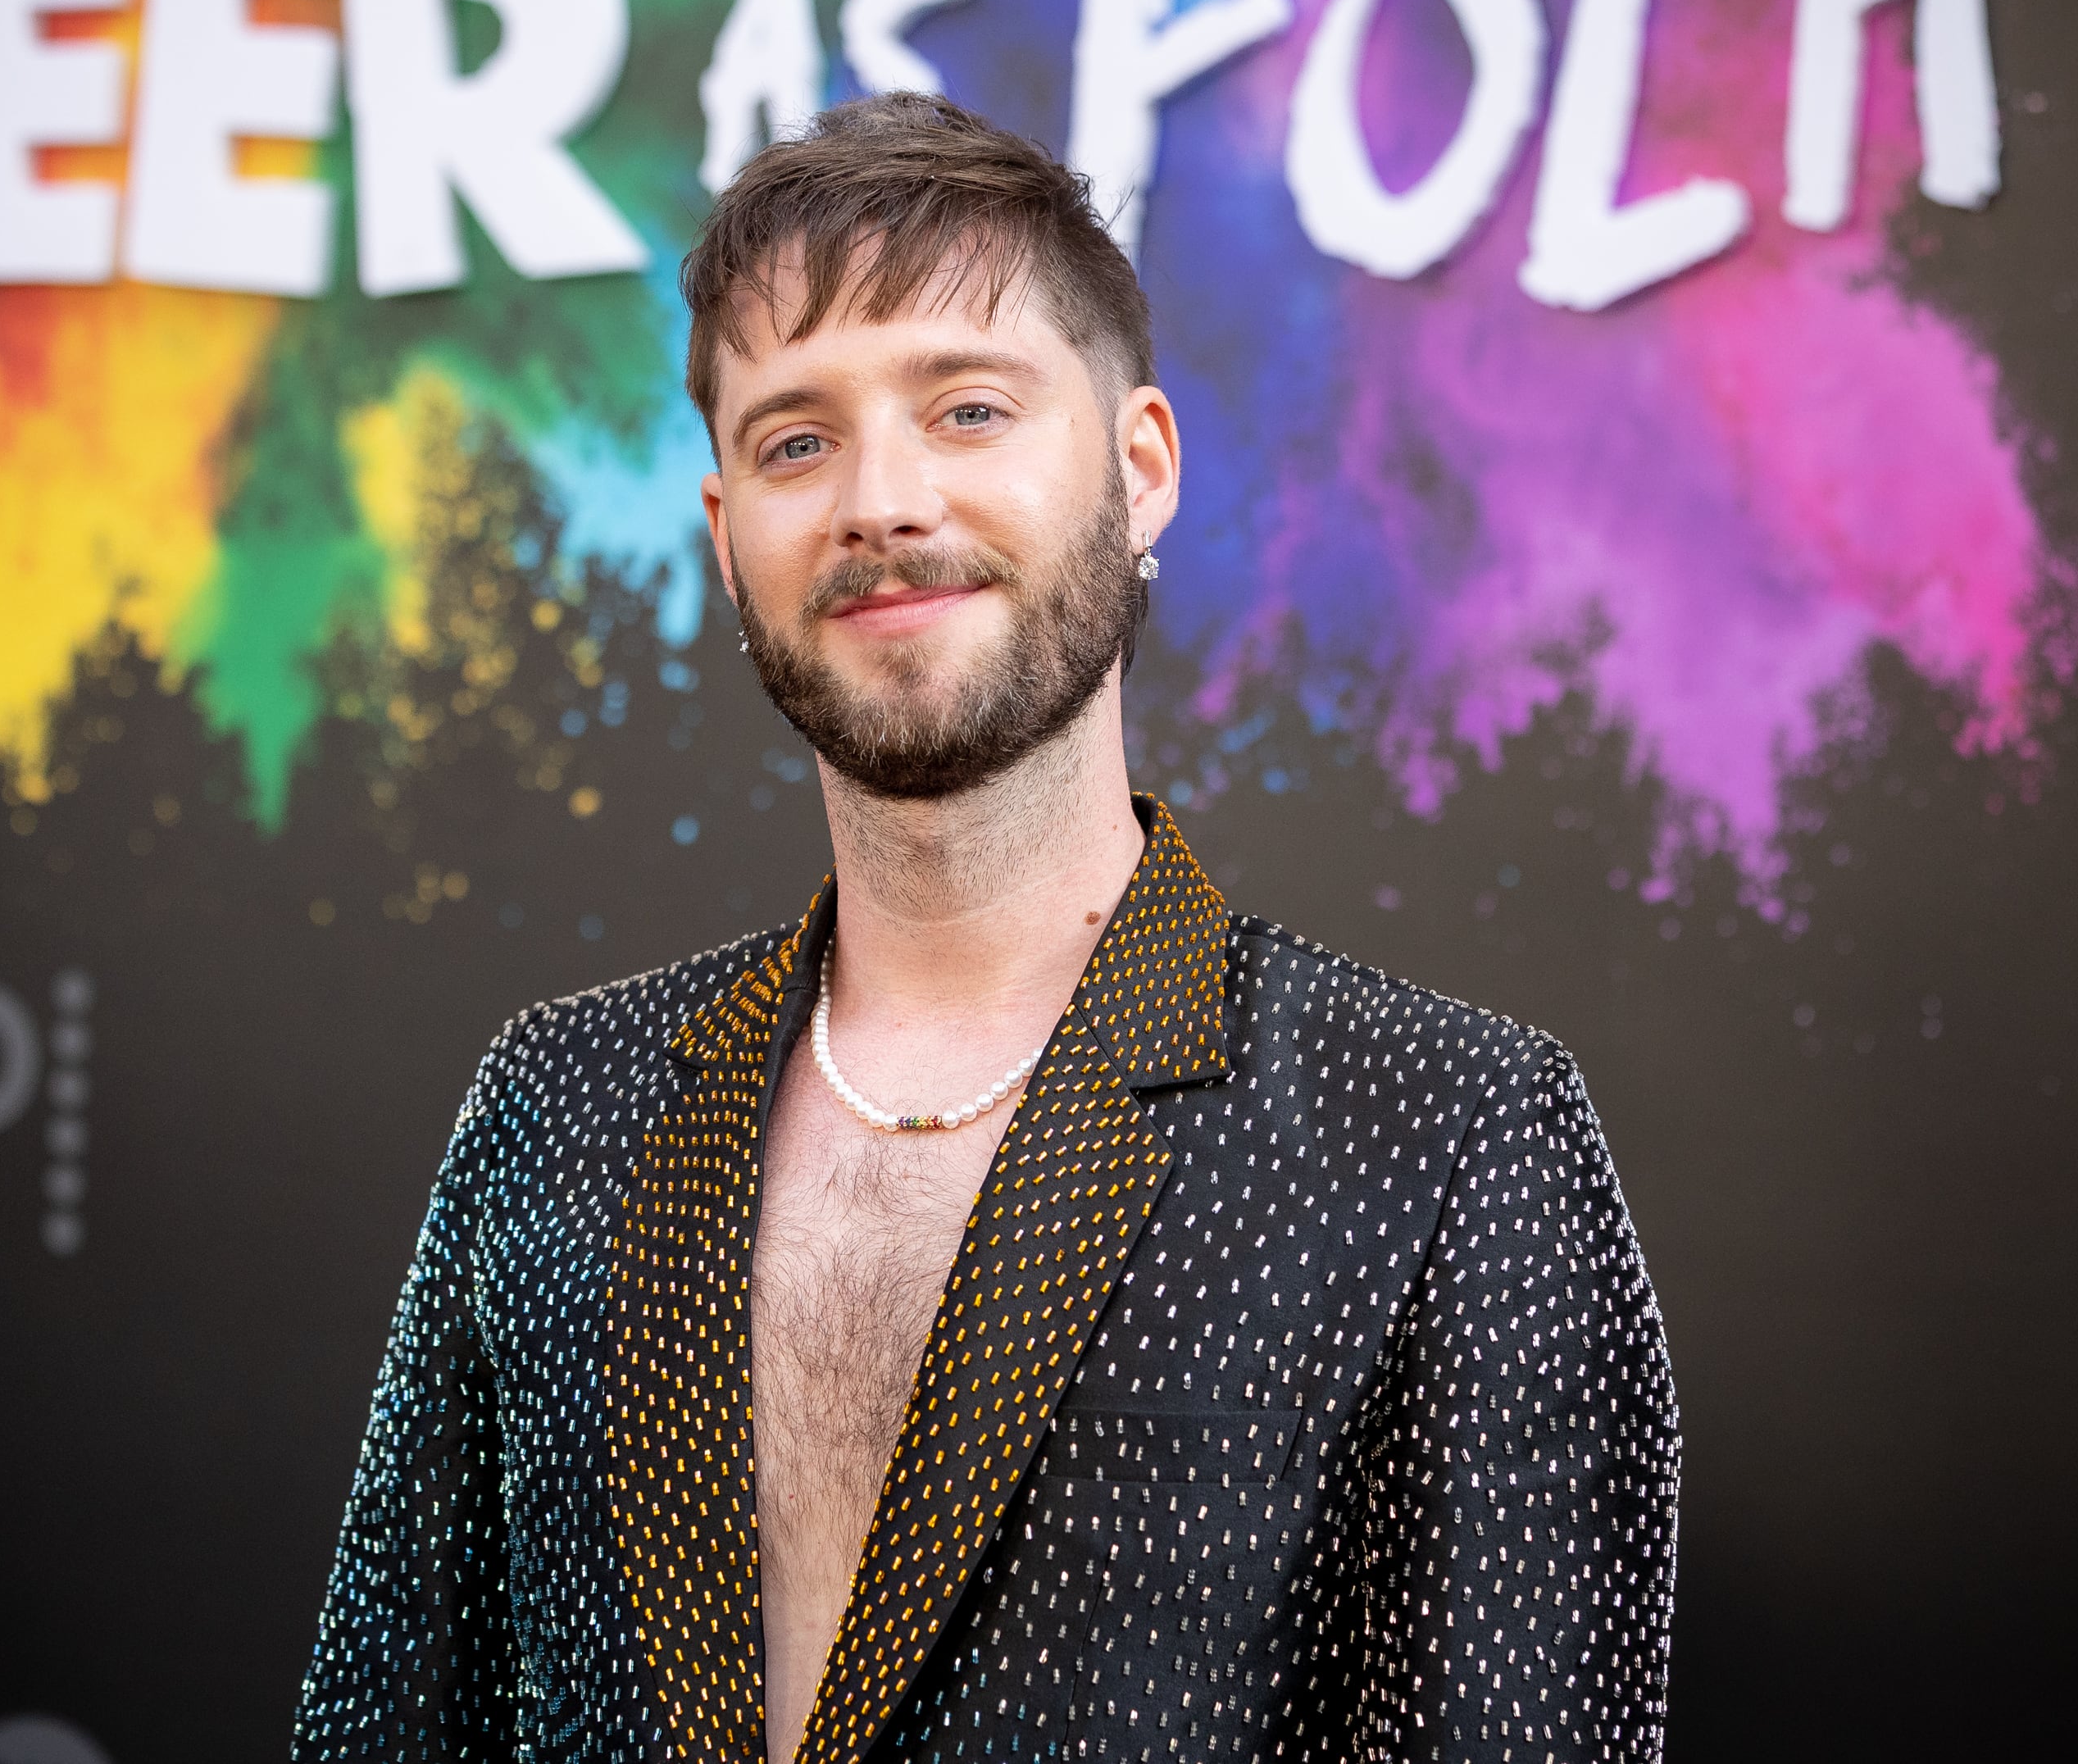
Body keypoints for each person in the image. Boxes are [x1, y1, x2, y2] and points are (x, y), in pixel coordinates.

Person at [294, 94, 1678, 1764]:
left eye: (966, 407)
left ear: (1142, 468)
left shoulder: (1450, 1135)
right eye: (796, 439)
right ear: (730, 540)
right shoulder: (554, 1109)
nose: (882, 499)